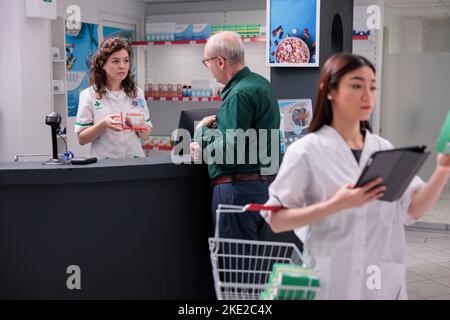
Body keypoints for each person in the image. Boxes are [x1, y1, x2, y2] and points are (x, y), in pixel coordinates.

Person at [263, 53, 450, 300]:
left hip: (381, 284)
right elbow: (277, 221)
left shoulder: (383, 149)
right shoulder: (306, 151)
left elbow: (413, 209)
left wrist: (442, 169)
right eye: (356, 85)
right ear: (329, 91)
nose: (367, 96)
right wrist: (335, 205)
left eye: (372, 87)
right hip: (330, 284)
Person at [191, 31, 280, 240]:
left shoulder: (238, 94)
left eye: (207, 62)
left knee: (235, 266)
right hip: (262, 189)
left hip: (236, 192)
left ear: (220, 61)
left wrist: (202, 132)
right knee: (251, 266)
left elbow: (229, 153)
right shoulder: (261, 85)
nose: (209, 69)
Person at [75, 37, 153, 159]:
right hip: (105, 164)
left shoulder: (137, 93)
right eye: (115, 61)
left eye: (126, 61)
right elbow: (82, 139)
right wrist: (103, 124)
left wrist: (141, 128)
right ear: (103, 65)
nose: (122, 66)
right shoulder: (88, 95)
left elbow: (146, 134)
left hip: (134, 160)